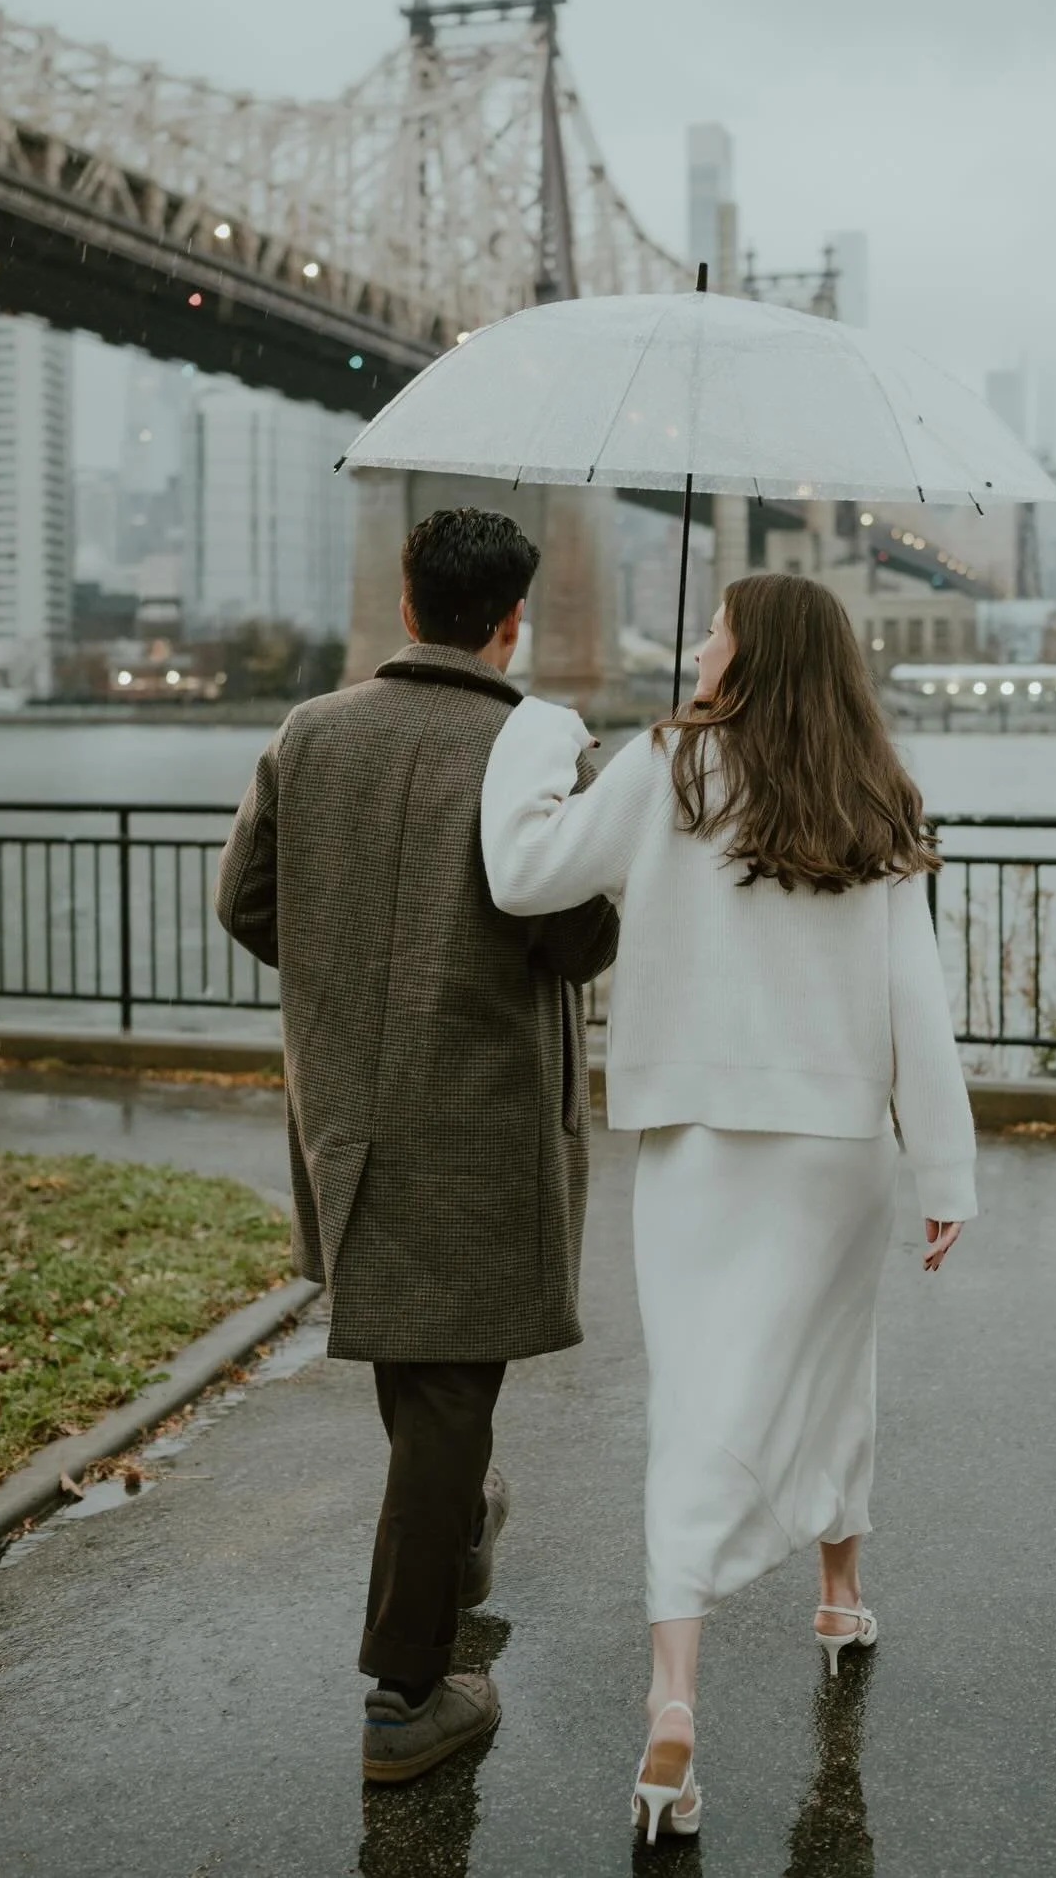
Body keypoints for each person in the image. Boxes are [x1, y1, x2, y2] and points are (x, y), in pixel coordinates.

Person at [480, 572, 976, 1842]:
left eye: (717, 627)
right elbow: (915, 993)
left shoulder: (667, 766)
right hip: (839, 1149)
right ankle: (839, 1593)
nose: (700, 643)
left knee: (698, 1401)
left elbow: (526, 870)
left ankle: (674, 1702)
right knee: (828, 1361)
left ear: (753, 655)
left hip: (698, 1137)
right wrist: (945, 1169)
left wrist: (540, 728)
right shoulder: (874, 792)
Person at [215, 507, 618, 1785]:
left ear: (405, 603)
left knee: (424, 1365)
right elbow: (579, 940)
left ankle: (455, 1540)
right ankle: (406, 1694)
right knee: (450, 1387)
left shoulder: (308, 734)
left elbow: (244, 900)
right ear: (512, 620)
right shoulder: (531, 746)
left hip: (350, 1102)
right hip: (484, 1113)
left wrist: (345, 979)